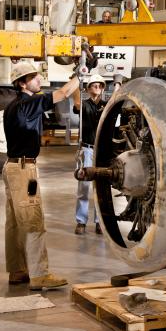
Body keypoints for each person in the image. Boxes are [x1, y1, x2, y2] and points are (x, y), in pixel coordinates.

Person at [3, 61, 80, 290]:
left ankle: (17, 271)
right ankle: (39, 274)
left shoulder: (12, 106)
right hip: (25, 171)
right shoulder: (30, 102)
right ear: (22, 83)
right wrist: (81, 74)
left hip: (11, 168)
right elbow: (64, 92)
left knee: (15, 224)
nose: (39, 80)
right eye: (34, 77)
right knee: (34, 221)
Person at [72, 74, 106, 235]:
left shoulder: (107, 105)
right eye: (94, 84)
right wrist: (76, 80)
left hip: (102, 151)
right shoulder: (84, 105)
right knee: (84, 187)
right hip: (87, 150)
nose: (97, 87)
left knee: (100, 187)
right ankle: (81, 221)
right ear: (88, 88)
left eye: (100, 85)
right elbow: (77, 104)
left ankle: (100, 222)